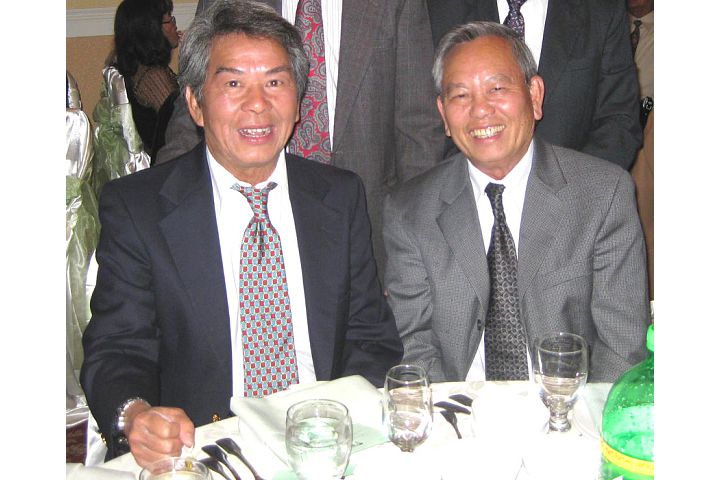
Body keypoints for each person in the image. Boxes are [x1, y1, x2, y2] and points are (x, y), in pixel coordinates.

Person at [81, 0, 403, 467]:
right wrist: (136, 413)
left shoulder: (339, 197)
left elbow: (371, 338)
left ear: (299, 103)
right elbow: (117, 347)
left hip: (326, 441)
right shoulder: (139, 209)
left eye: (275, 82)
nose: (258, 104)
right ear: (195, 103)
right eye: (233, 83)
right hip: (206, 450)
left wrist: (345, 424)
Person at [383, 22, 649, 385]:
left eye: (497, 88)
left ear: (534, 95)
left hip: (571, 407)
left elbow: (621, 348)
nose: (481, 110)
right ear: (443, 114)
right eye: (461, 95)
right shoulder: (410, 211)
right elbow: (414, 347)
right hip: (458, 408)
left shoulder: (603, 194)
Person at [155, 0, 446, 278]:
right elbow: (194, 104)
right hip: (251, 217)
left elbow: (417, 127)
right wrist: (161, 204)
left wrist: (415, 245)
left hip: (368, 224)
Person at [426, 0, 642, 170]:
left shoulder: (600, 8)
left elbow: (619, 119)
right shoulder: (439, 8)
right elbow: (425, 121)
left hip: (574, 196)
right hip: (469, 196)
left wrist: (571, 191)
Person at [113, 0, 181, 161]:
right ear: (152, 30)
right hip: (168, 162)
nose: (175, 25)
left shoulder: (140, 68)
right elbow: (182, 122)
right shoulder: (153, 77)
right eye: (169, 19)